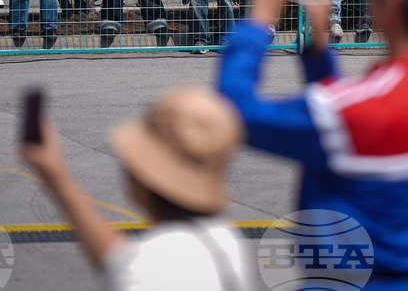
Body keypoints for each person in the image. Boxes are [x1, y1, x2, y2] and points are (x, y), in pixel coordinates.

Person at [218, 0, 408, 289]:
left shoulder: (364, 108)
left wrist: (259, 19)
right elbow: (351, 130)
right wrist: (318, 44)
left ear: (390, 8)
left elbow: (233, 111)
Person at [20, 86, 249, 291]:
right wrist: (55, 177)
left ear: (143, 175)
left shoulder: (153, 267)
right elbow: (117, 260)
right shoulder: (224, 240)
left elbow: (130, 268)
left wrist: (57, 178)